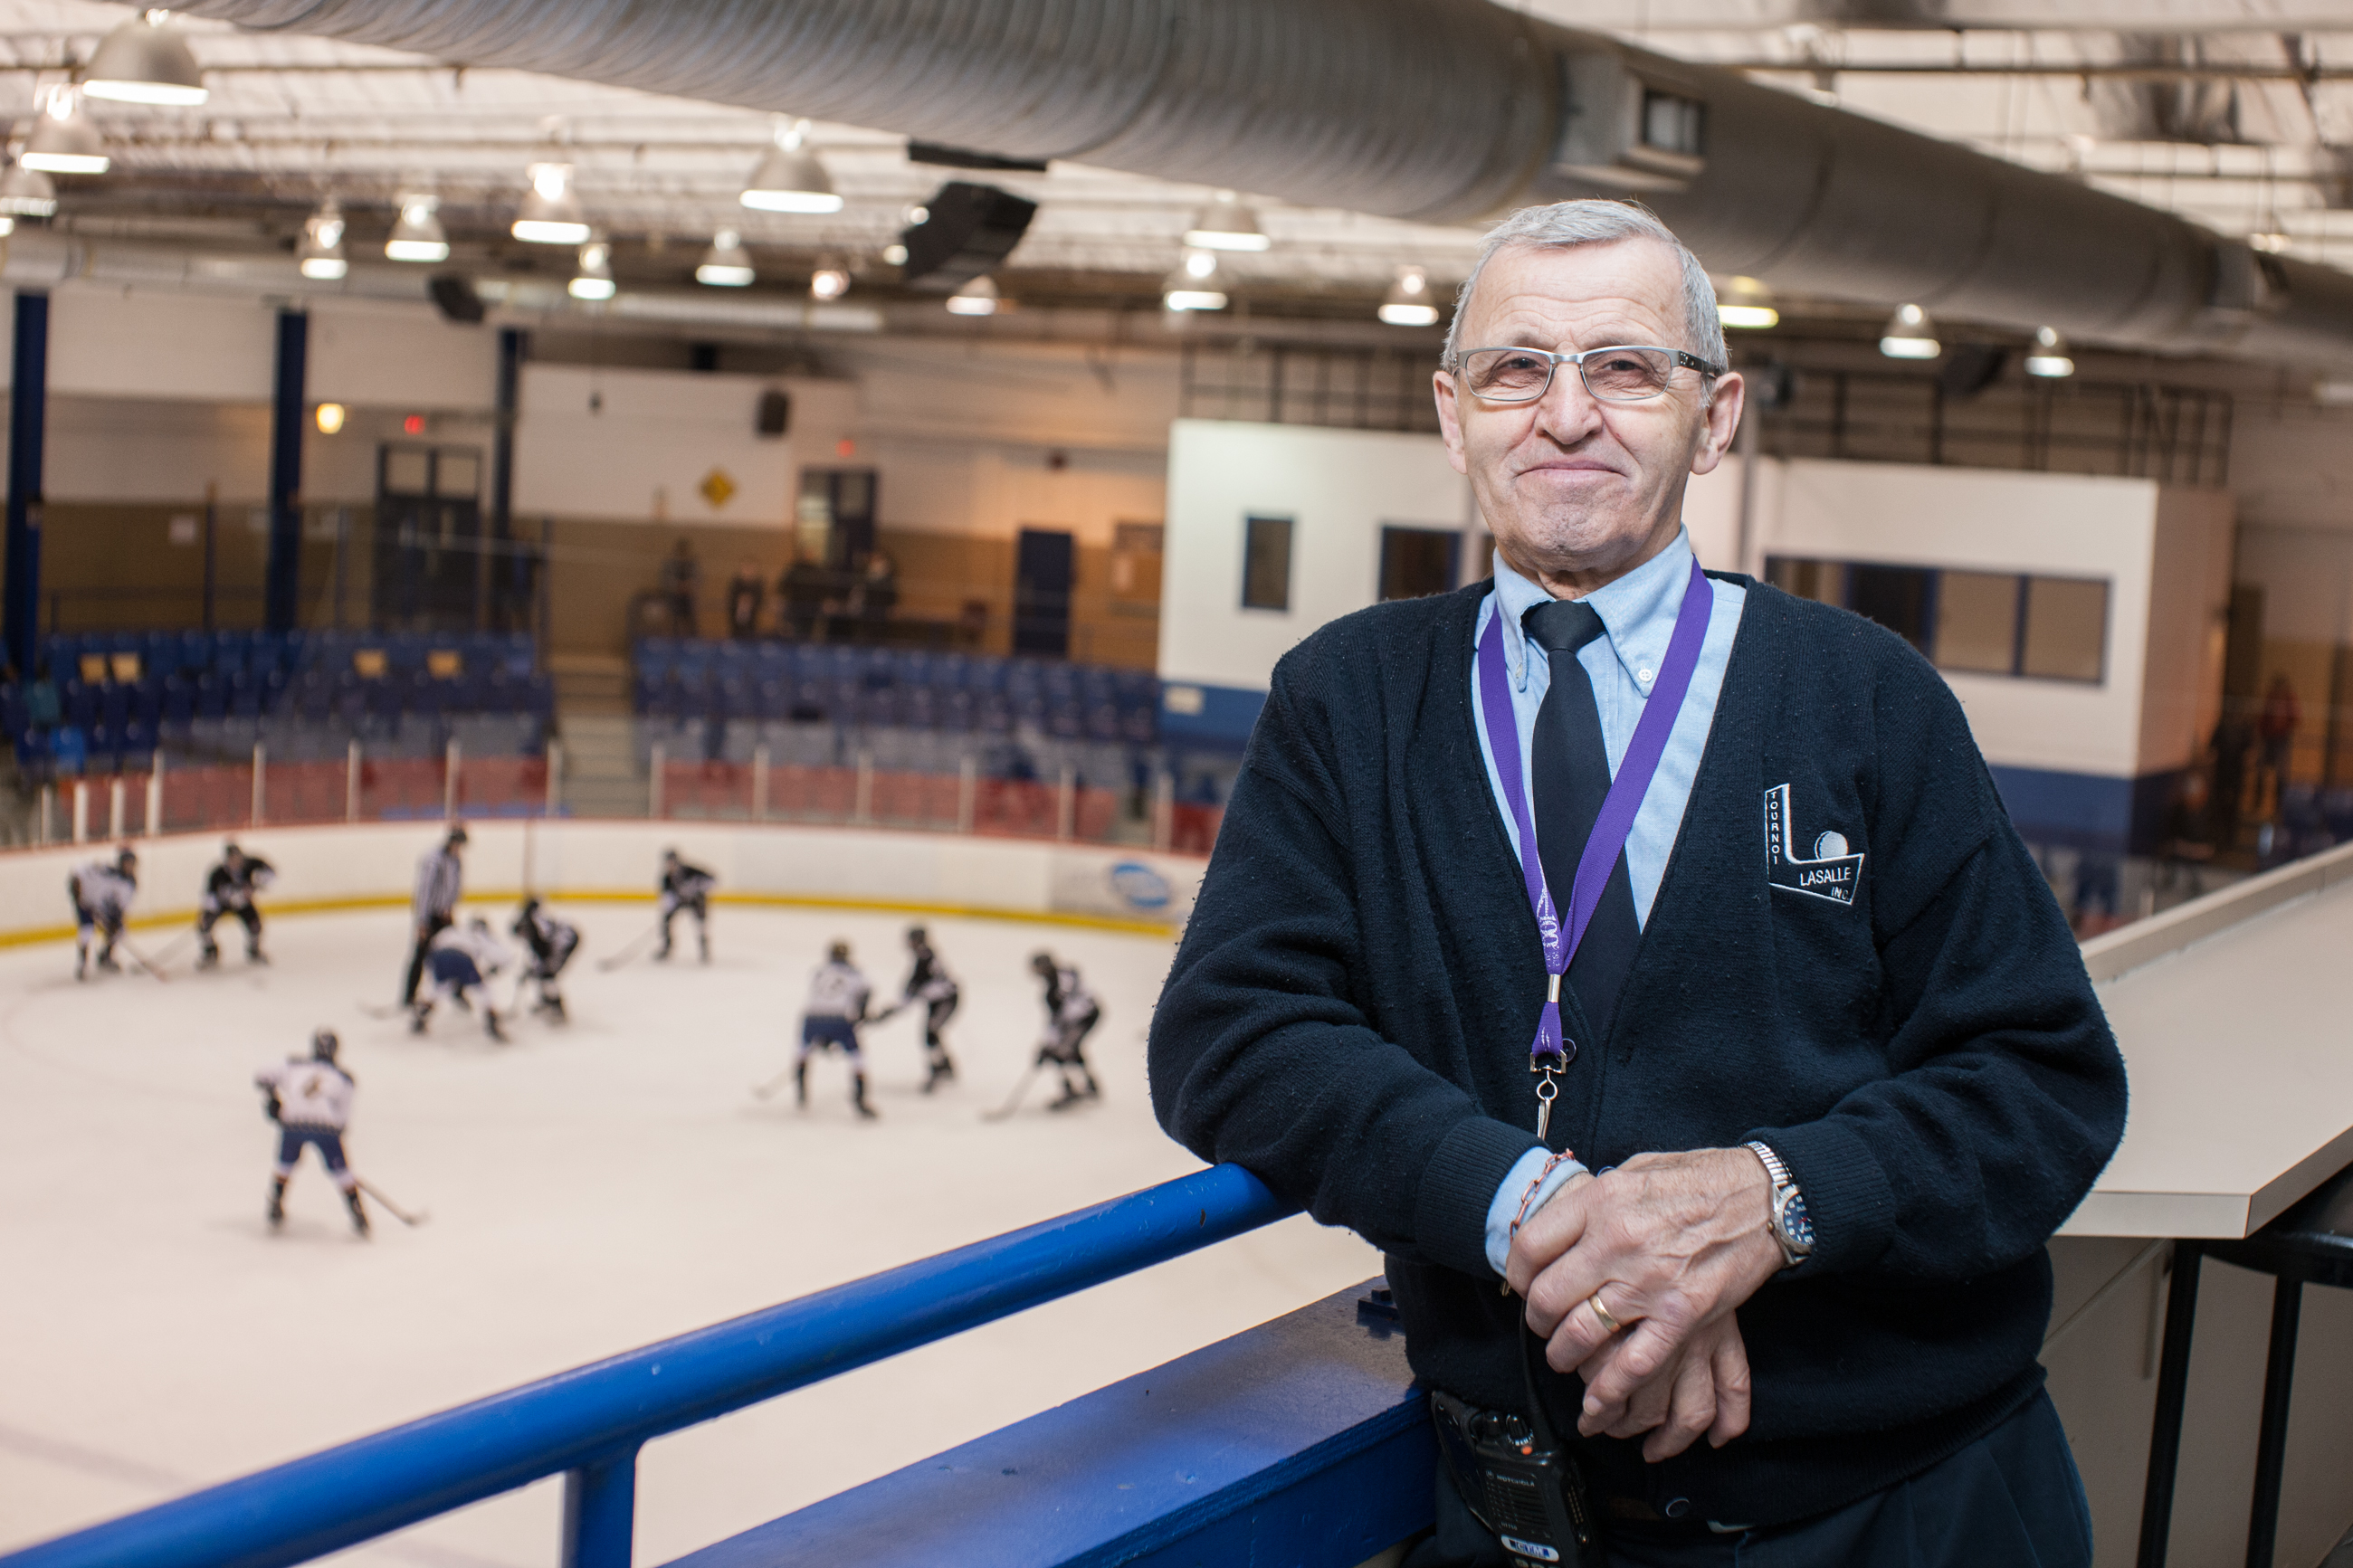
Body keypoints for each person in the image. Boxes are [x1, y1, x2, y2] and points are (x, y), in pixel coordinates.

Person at [1147, 200, 2126, 1568]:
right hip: (1525, 1523)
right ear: (1453, 416)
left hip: (1892, 1511)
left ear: (1712, 418)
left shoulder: (1863, 696)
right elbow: (1232, 1034)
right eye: (1515, 369)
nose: (1566, 415)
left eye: (1622, 366)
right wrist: (1539, 1211)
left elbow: (2039, 1077)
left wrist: (1774, 1202)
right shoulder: (1346, 697)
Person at [255, 1029, 368, 1237]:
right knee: (342, 1172)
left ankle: (275, 1203)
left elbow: (262, 1075)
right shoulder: (343, 1077)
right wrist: (338, 1131)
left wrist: (272, 1097)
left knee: (284, 1165)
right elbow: (343, 1114)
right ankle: (357, 1212)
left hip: (293, 1122)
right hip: (326, 1127)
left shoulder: (293, 1064)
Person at [795, 940, 876, 1118]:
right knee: (857, 1058)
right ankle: (860, 1099)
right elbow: (866, 992)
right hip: (839, 1018)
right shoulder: (855, 973)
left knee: (803, 1052)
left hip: (813, 1017)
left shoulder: (818, 971)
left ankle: (801, 1094)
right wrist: (862, 1015)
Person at [413, 916, 513, 1041]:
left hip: (439, 958)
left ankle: (421, 1017)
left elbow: (432, 949)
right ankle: (492, 1022)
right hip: (462, 959)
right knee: (483, 990)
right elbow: (505, 957)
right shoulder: (480, 936)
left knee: (439, 988)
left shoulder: (452, 930)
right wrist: (494, 969)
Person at [402, 826, 466, 1006]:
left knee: (456, 951)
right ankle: (409, 995)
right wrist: (422, 921)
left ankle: (457, 991)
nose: (458, 848)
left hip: (445, 916)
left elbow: (455, 886)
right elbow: (424, 891)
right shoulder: (433, 859)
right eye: (457, 844)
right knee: (421, 955)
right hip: (430, 917)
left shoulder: (456, 861)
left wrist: (450, 907)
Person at [1030, 950, 1101, 1109]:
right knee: (1069, 1049)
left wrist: (1049, 1045)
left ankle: (1072, 1089)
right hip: (1087, 1013)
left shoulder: (1055, 989)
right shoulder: (1064, 975)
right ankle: (1089, 1084)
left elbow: (1060, 1018)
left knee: (1061, 1051)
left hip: (1083, 1018)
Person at [892, 924, 958, 1092]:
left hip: (946, 1000)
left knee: (931, 1033)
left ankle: (939, 1070)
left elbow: (918, 986)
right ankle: (945, 1065)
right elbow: (915, 987)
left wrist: (899, 1005)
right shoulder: (924, 957)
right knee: (931, 1034)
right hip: (938, 1001)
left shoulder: (925, 958)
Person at [197, 841, 276, 968]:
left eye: (238, 858)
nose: (236, 861)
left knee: (255, 925)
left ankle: (254, 951)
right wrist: (220, 901)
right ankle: (211, 952)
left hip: (243, 904)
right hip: (221, 906)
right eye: (232, 858)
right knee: (204, 925)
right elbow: (208, 897)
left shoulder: (251, 865)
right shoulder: (217, 874)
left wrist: (258, 883)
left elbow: (271, 873)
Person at [68, 845, 138, 981]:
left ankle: (105, 956)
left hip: (104, 908)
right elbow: (77, 875)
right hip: (86, 904)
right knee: (87, 932)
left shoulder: (130, 884)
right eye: (127, 863)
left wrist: (115, 923)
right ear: (120, 863)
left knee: (119, 930)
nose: (129, 866)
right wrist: (77, 893)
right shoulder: (104, 871)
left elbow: (121, 908)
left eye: (132, 863)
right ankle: (82, 964)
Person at [510, 897, 581, 1020]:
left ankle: (556, 1007)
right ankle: (547, 1000)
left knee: (547, 974)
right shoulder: (532, 925)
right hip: (560, 941)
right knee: (542, 972)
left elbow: (544, 954)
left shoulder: (536, 934)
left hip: (565, 944)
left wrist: (531, 971)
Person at [656, 849, 717, 962]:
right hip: (679, 902)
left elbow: (712, 879)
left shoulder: (691, 871)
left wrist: (696, 887)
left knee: (701, 925)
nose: (670, 865)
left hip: (696, 901)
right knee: (666, 920)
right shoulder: (667, 878)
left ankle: (704, 950)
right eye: (668, 862)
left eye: (672, 862)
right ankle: (667, 947)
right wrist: (671, 903)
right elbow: (667, 896)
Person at [2256, 672, 2301, 819]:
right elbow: (2263, 718)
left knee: (2281, 774)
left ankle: (2278, 807)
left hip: (2282, 740)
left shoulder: (2289, 699)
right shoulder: (2271, 697)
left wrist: (2283, 728)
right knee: (2261, 770)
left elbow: (2296, 718)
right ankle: (2257, 803)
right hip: (2268, 738)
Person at [781, 548, 830, 641]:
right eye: (806, 554)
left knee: (809, 629)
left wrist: (825, 601)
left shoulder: (817, 571)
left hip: (813, 605)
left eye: (810, 554)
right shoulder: (795, 569)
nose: (808, 556)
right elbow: (784, 585)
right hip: (796, 603)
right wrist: (782, 597)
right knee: (795, 629)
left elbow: (824, 588)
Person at [662, 538, 701, 637]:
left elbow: (699, 579)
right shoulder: (670, 564)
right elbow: (665, 579)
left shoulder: (693, 564)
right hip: (674, 596)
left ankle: (693, 639)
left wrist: (688, 586)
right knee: (674, 620)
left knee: (691, 622)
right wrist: (678, 586)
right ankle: (674, 639)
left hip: (689, 597)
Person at [727, 556, 767, 641]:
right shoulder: (736, 584)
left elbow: (761, 600)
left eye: (750, 568)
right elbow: (731, 600)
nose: (748, 571)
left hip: (752, 623)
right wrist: (740, 602)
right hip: (736, 623)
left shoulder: (758, 585)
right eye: (746, 567)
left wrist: (751, 602)